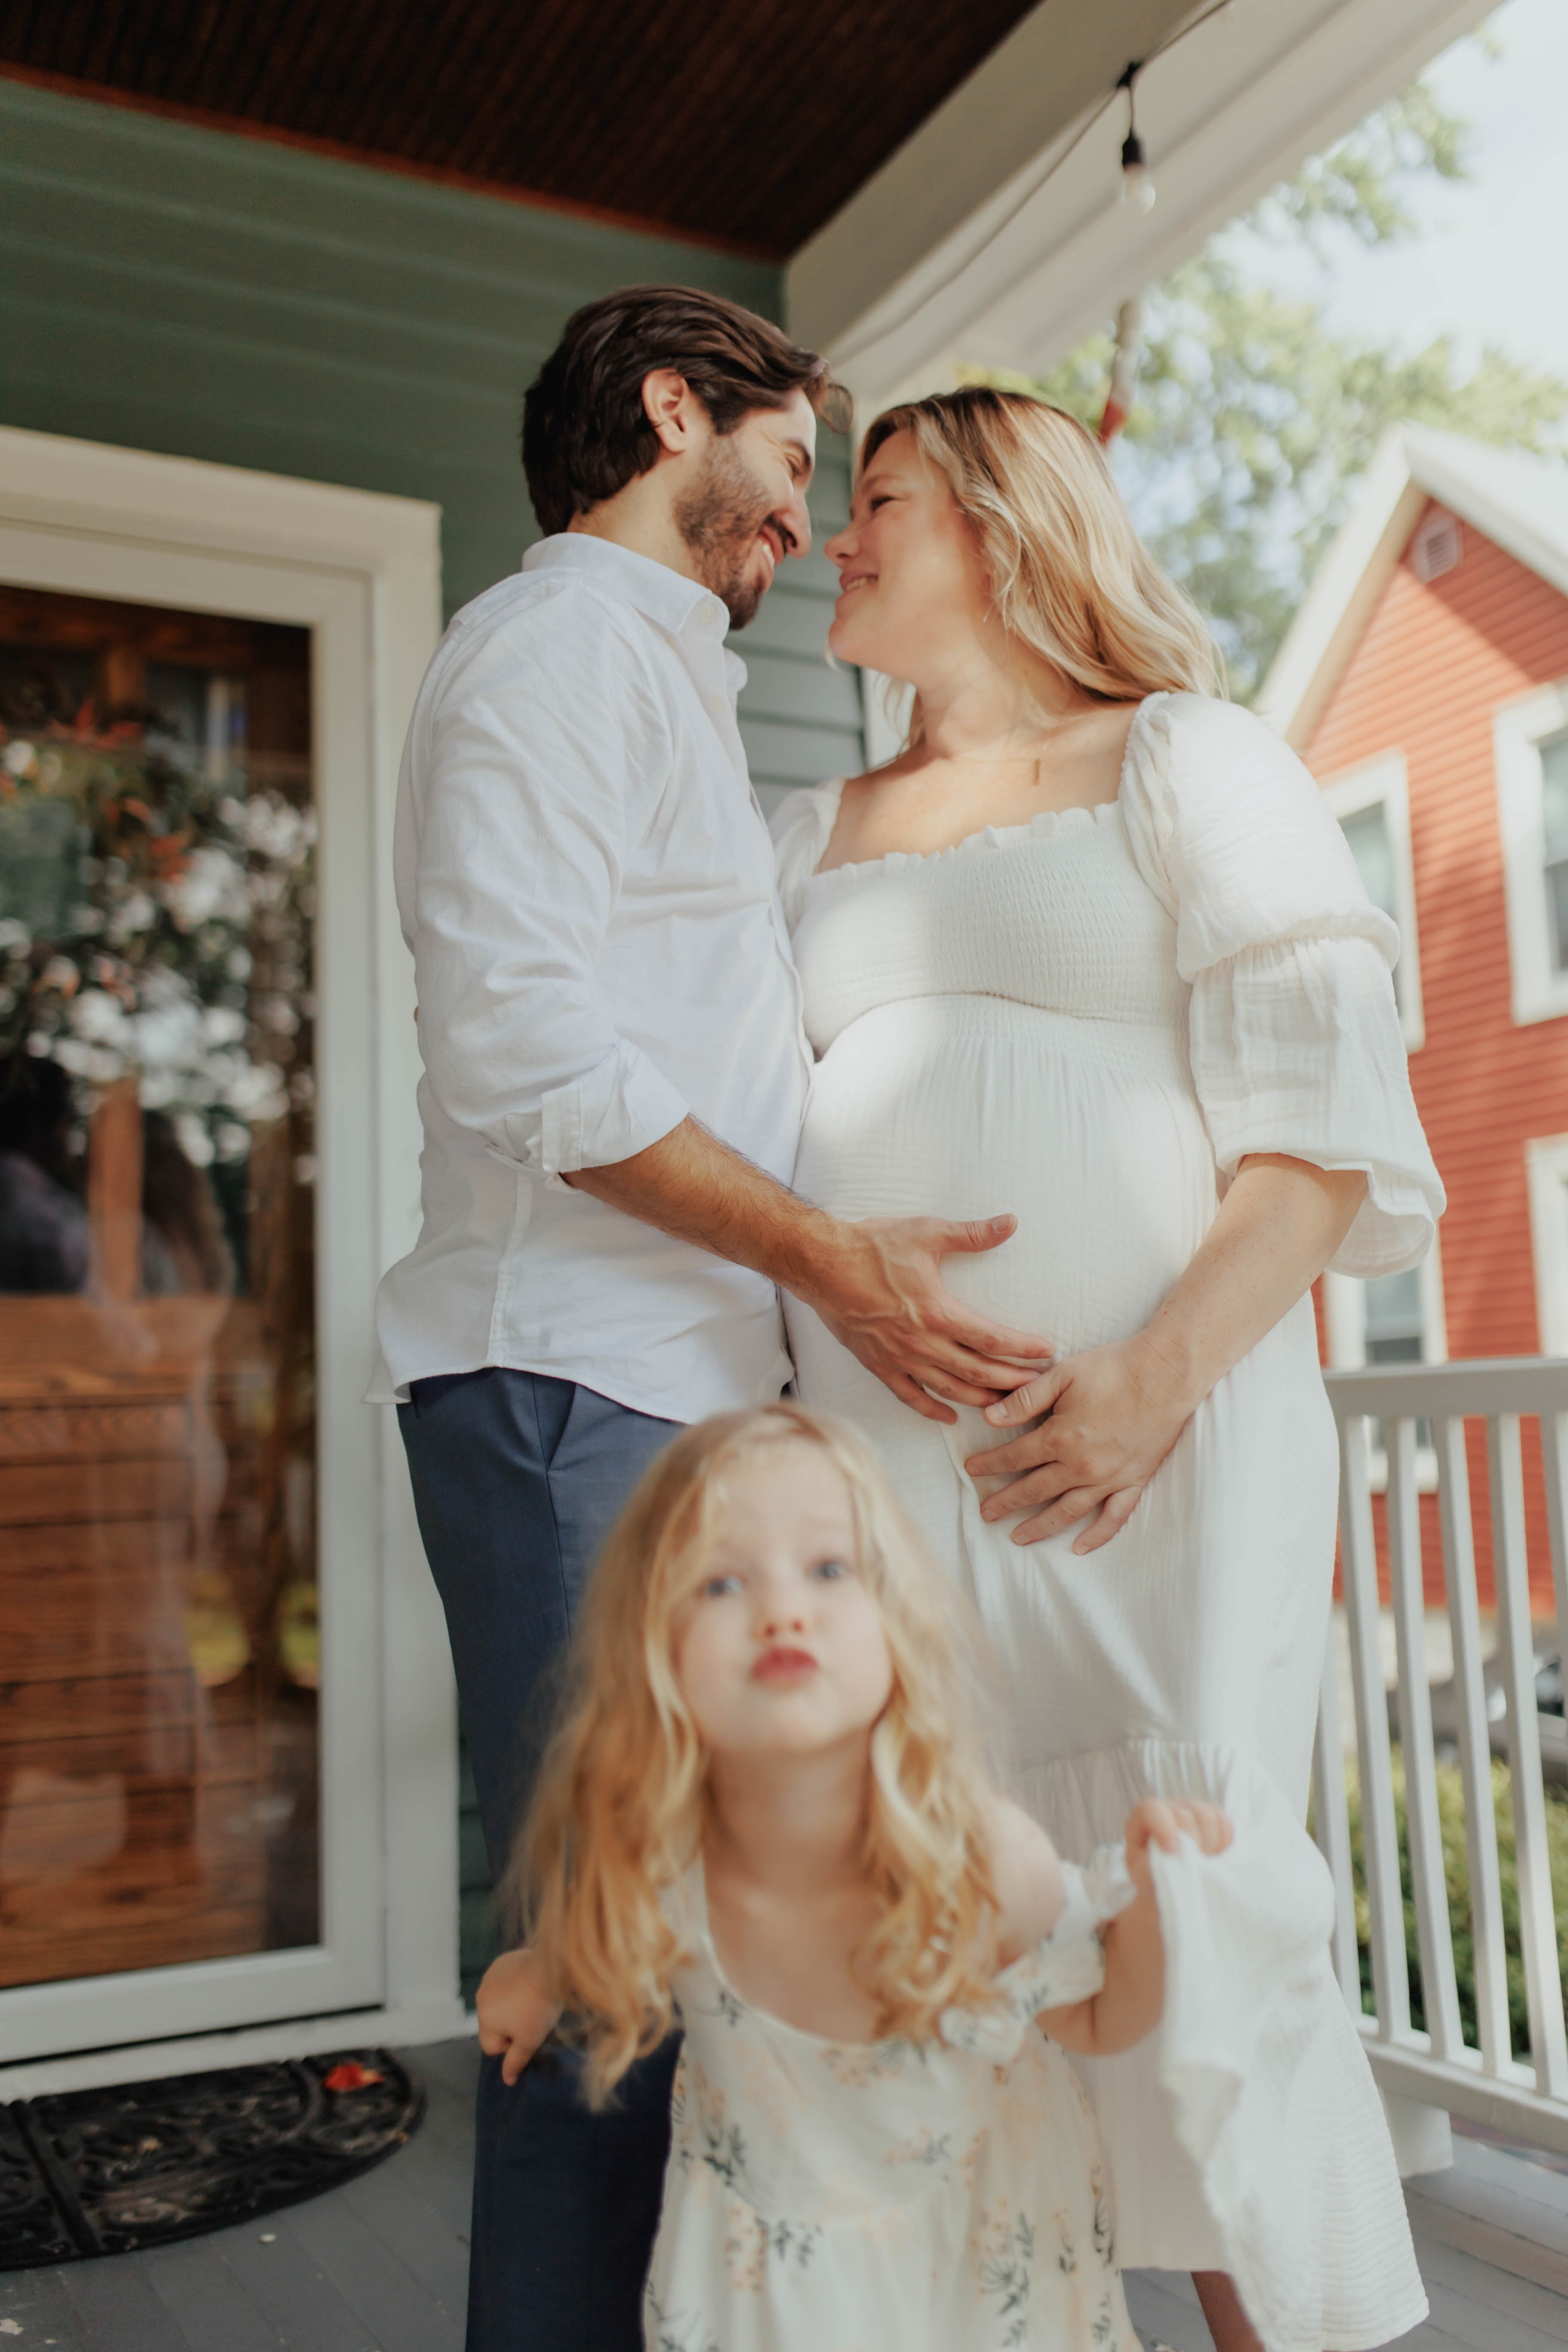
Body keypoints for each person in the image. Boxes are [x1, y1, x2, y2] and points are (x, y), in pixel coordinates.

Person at [370, 293, 1052, 2352]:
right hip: (570, 1379)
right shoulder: (556, 651)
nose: (805, 507)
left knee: (681, 1982)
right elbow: (527, 1053)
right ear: (675, 407)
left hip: (657, 1390)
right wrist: (827, 1257)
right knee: (605, 1991)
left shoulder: (648, 677)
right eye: (789, 451)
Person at [769, 386, 1446, 2352]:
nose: (837, 536)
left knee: (1194, 1913)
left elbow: (1319, 1129)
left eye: (874, 498)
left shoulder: (1184, 757)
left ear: (996, 522)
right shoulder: (799, 826)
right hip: (891, 1481)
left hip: (1162, 1446)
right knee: (963, 1941)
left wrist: (1149, 1375)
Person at [476, 1402, 1236, 2352]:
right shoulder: (661, 1856)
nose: (783, 1609)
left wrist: (1159, 1907)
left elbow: (1099, 2016)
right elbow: (609, 1934)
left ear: (898, 1626)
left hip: (973, 2282)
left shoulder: (980, 1859)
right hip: (769, 2292)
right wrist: (541, 1974)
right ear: (652, 1651)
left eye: (830, 1570)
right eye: (720, 1583)